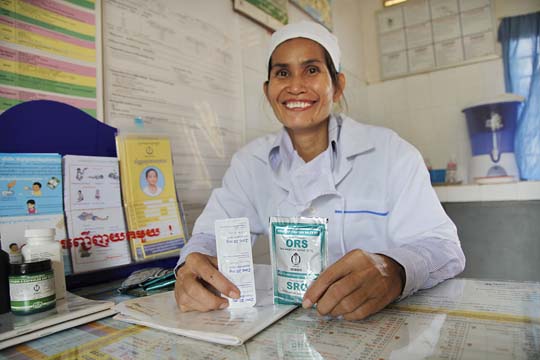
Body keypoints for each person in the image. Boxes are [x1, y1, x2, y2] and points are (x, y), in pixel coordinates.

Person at [174, 21, 465, 319]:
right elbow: (210, 234)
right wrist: (190, 266)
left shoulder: (391, 153)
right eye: (282, 73)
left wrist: (395, 269)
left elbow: (444, 247)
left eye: (311, 70)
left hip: (381, 325)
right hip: (288, 329)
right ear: (268, 89)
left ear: (337, 85)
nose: (295, 85)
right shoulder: (250, 163)